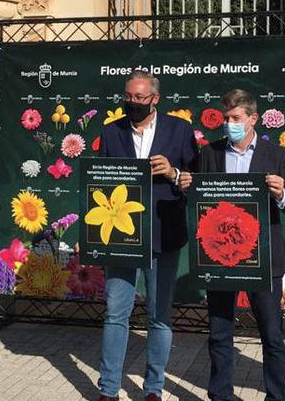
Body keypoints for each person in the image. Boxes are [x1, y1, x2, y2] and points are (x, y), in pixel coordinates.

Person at [181, 89, 285, 401]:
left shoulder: (275, 155)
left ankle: (276, 395)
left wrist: (280, 193)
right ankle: (220, 394)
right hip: (219, 256)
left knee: (272, 335)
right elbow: (196, 199)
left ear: (253, 119)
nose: (229, 123)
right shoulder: (210, 153)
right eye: (226, 118)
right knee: (219, 332)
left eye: (235, 118)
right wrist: (186, 186)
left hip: (262, 258)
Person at [96, 70, 197, 401]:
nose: (133, 103)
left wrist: (174, 172)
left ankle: (153, 388)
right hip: (121, 236)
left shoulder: (179, 130)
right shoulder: (112, 132)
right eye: (128, 97)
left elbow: (194, 180)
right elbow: (99, 182)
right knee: (115, 312)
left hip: (163, 232)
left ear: (155, 98)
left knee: (159, 315)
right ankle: (108, 389)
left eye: (140, 98)